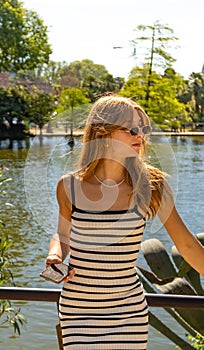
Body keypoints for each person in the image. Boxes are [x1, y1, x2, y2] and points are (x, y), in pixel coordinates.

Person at [46, 95, 204, 350]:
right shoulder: (68, 186)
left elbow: (186, 245)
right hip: (78, 312)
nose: (139, 135)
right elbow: (62, 236)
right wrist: (55, 256)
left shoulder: (152, 186)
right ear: (102, 133)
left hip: (127, 314)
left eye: (144, 129)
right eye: (131, 129)